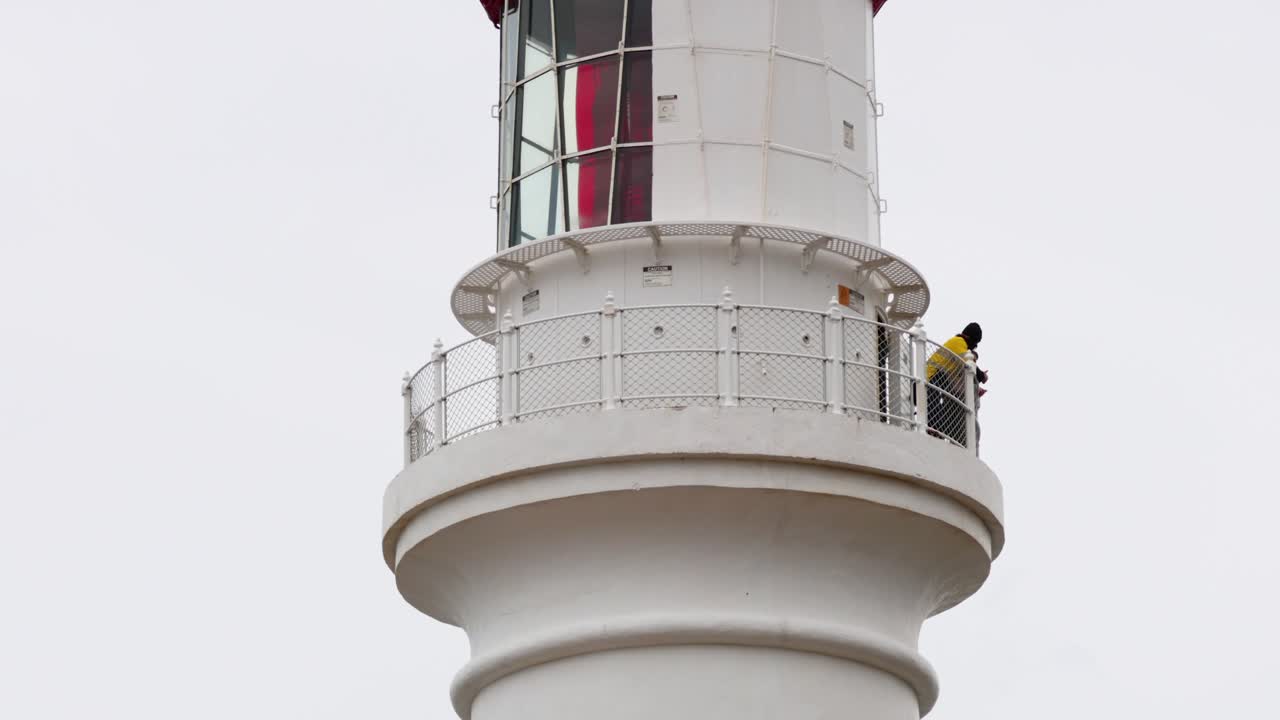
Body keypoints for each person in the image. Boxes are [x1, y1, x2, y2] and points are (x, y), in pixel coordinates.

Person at [925, 323, 985, 446]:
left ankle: (937, 428)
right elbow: (966, 362)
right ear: (968, 338)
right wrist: (981, 376)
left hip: (933, 378)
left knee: (943, 408)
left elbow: (958, 376)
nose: (974, 347)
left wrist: (976, 386)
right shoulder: (958, 342)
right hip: (930, 378)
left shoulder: (956, 347)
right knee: (936, 401)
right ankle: (933, 427)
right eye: (974, 342)